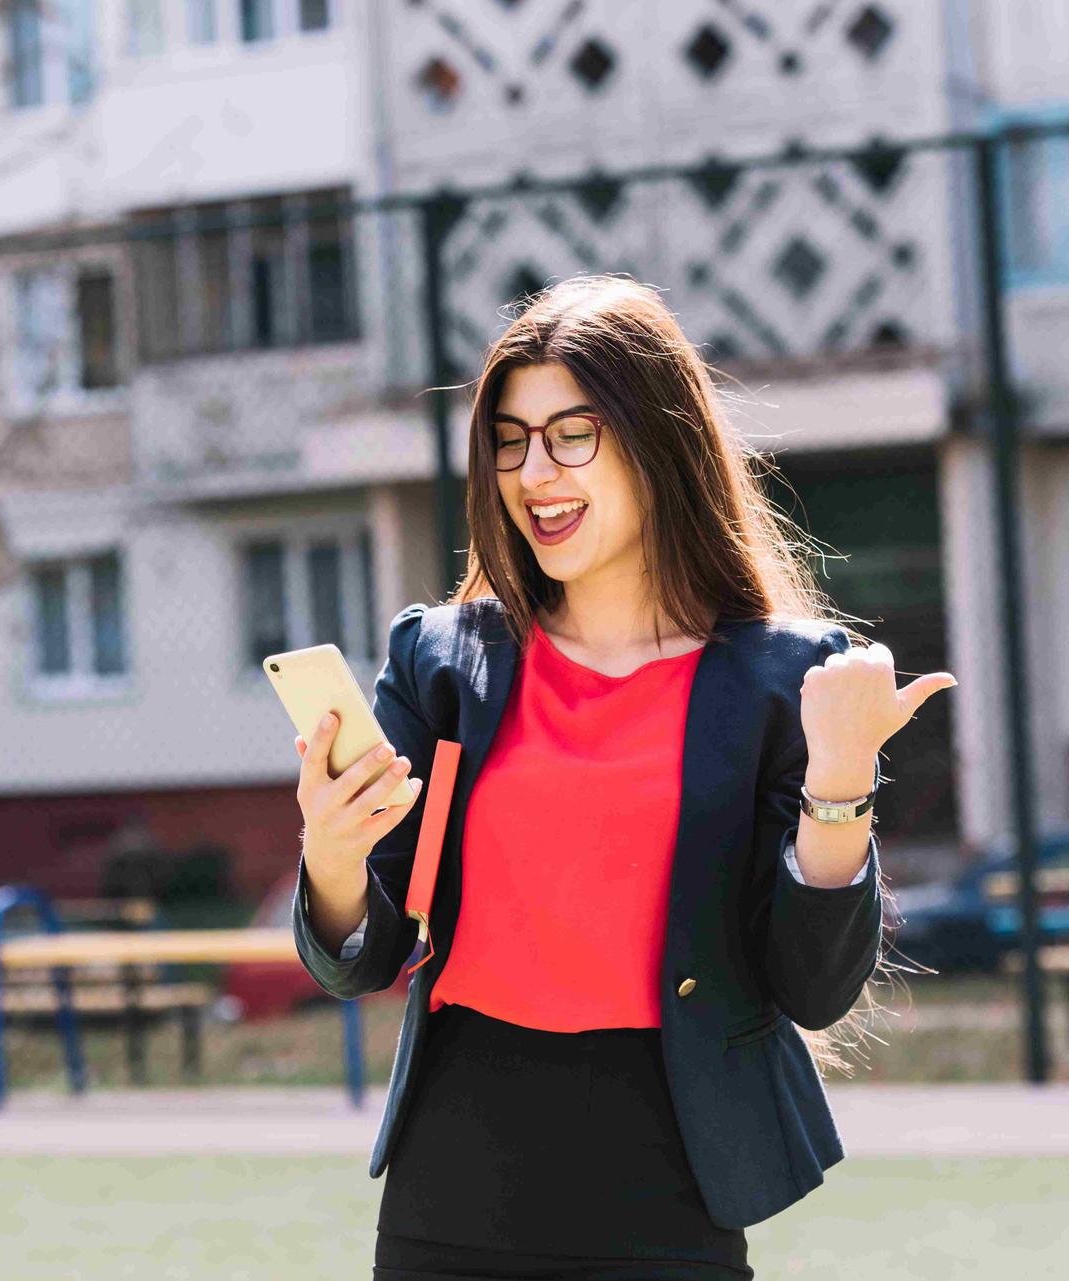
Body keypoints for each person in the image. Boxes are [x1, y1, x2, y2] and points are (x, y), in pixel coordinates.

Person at [290, 274, 955, 1279]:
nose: (534, 472)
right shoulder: (439, 663)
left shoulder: (783, 678)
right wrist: (333, 861)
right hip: (455, 1180)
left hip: (670, 1183)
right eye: (510, 441)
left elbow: (814, 989)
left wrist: (843, 782)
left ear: (659, 443)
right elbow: (365, 956)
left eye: (572, 434)